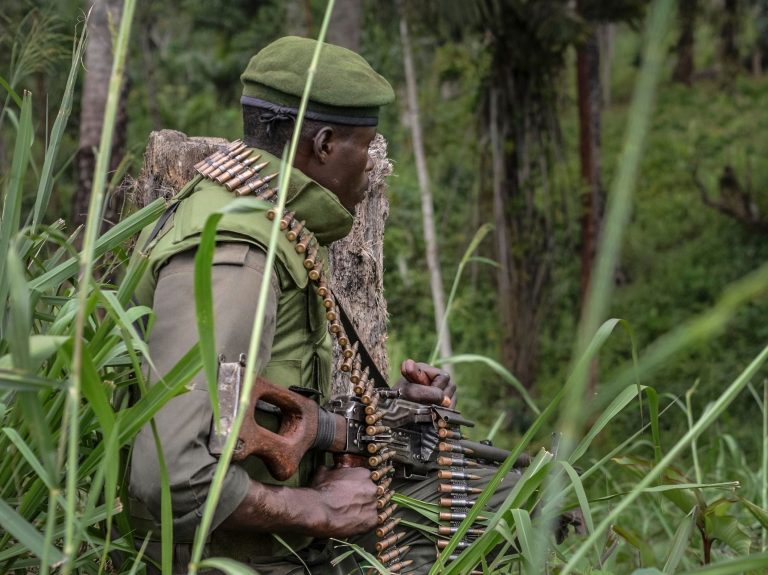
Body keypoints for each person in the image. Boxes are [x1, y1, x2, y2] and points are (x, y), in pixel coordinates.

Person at [128, 36, 519, 574]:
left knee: (506, 490)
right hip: (241, 560)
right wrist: (319, 510)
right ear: (327, 144)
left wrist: (388, 415)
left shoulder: (256, 214)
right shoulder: (239, 257)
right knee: (518, 510)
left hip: (270, 540)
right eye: (368, 147)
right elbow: (169, 473)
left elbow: (253, 403)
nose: (372, 169)